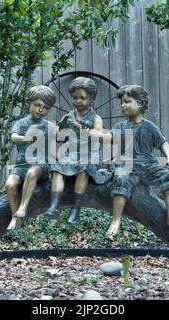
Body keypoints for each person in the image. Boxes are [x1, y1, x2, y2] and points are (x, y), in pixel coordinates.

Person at [105, 85, 169, 236]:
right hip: (127, 165)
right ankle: (116, 220)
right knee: (121, 179)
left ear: (140, 104)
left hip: (148, 165)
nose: (123, 105)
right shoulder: (119, 126)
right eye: (122, 102)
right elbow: (109, 139)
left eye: (127, 101)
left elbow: (163, 143)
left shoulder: (150, 127)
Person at [45, 77, 111, 223]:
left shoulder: (96, 118)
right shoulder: (69, 115)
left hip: (90, 154)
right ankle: (54, 206)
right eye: (75, 97)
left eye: (83, 98)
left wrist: (80, 125)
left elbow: (97, 135)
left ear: (91, 98)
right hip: (72, 153)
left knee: (84, 169)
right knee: (57, 168)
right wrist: (61, 126)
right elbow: (57, 136)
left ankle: (75, 209)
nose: (78, 101)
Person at [5, 85, 56, 230]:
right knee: (10, 184)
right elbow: (13, 137)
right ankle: (15, 217)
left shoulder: (49, 126)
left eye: (45, 107)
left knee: (32, 172)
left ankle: (23, 207)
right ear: (29, 103)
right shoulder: (21, 123)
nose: (41, 110)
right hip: (21, 165)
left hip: (41, 165)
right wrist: (25, 139)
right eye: (37, 105)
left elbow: (60, 136)